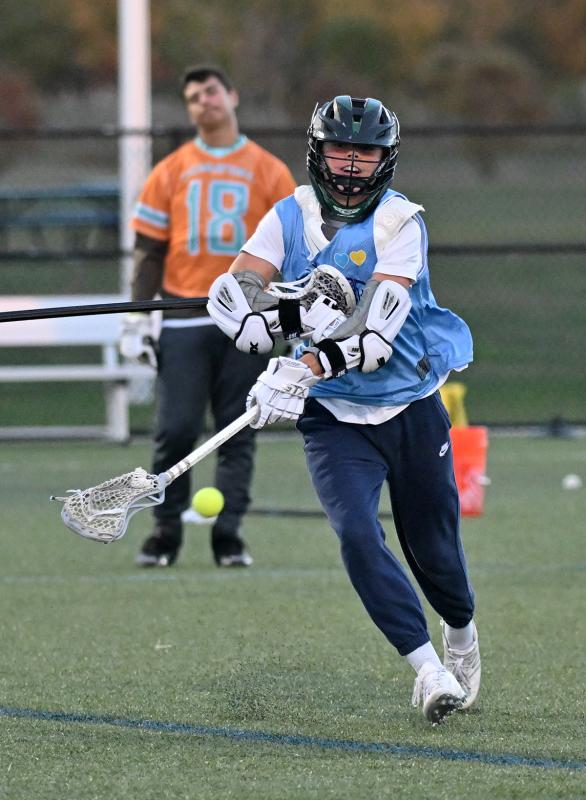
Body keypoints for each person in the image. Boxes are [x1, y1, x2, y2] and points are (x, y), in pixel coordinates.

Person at [206, 95, 481, 724]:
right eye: (340, 149)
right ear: (317, 151)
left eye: (366, 152)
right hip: (333, 417)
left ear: (386, 159)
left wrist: (298, 367)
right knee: (357, 533)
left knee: (435, 552)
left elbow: (371, 336)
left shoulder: (400, 223)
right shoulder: (289, 215)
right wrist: (261, 319)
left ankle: (461, 637)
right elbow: (241, 286)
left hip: (408, 405)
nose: (352, 163)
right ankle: (428, 670)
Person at [120, 65, 296, 568]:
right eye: (193, 96)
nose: (204, 101)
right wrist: (137, 318)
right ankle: (165, 532)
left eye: (211, 91)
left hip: (250, 316)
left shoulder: (269, 169)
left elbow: (295, 251)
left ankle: (229, 536)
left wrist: (293, 319)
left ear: (232, 95)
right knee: (176, 429)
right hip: (183, 312)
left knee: (239, 428)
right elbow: (149, 251)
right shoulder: (170, 169)